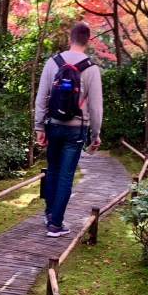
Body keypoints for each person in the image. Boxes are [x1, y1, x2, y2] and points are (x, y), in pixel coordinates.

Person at [34, 22, 103, 237]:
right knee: (66, 175)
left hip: (53, 125)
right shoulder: (91, 68)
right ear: (88, 40)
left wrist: (39, 126)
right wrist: (95, 134)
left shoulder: (53, 63)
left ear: (69, 38)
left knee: (52, 170)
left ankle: (49, 214)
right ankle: (55, 224)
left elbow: (41, 97)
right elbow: (96, 105)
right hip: (76, 129)